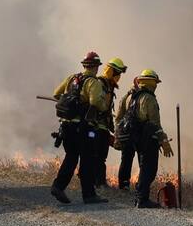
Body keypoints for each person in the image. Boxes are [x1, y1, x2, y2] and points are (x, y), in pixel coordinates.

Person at [49, 52, 112, 204]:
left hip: (66, 126)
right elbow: (96, 102)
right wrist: (104, 107)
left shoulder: (72, 78)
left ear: (84, 65)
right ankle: (89, 195)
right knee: (87, 160)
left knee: (71, 157)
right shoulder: (93, 82)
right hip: (84, 128)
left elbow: (56, 94)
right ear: (96, 67)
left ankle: (58, 186)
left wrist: (71, 103)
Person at [116, 69, 173, 208]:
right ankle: (142, 199)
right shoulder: (149, 99)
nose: (156, 86)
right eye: (155, 83)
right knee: (149, 168)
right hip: (147, 138)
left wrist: (117, 135)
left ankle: (139, 196)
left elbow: (119, 117)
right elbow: (155, 123)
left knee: (143, 167)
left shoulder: (129, 97)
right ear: (151, 83)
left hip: (134, 138)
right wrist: (164, 141)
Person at [92, 57, 127, 188]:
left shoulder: (109, 87)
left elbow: (107, 109)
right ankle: (96, 182)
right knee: (96, 155)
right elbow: (95, 104)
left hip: (103, 127)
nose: (119, 77)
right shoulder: (99, 83)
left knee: (102, 155)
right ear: (111, 71)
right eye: (117, 73)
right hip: (95, 126)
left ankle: (99, 182)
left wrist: (113, 129)